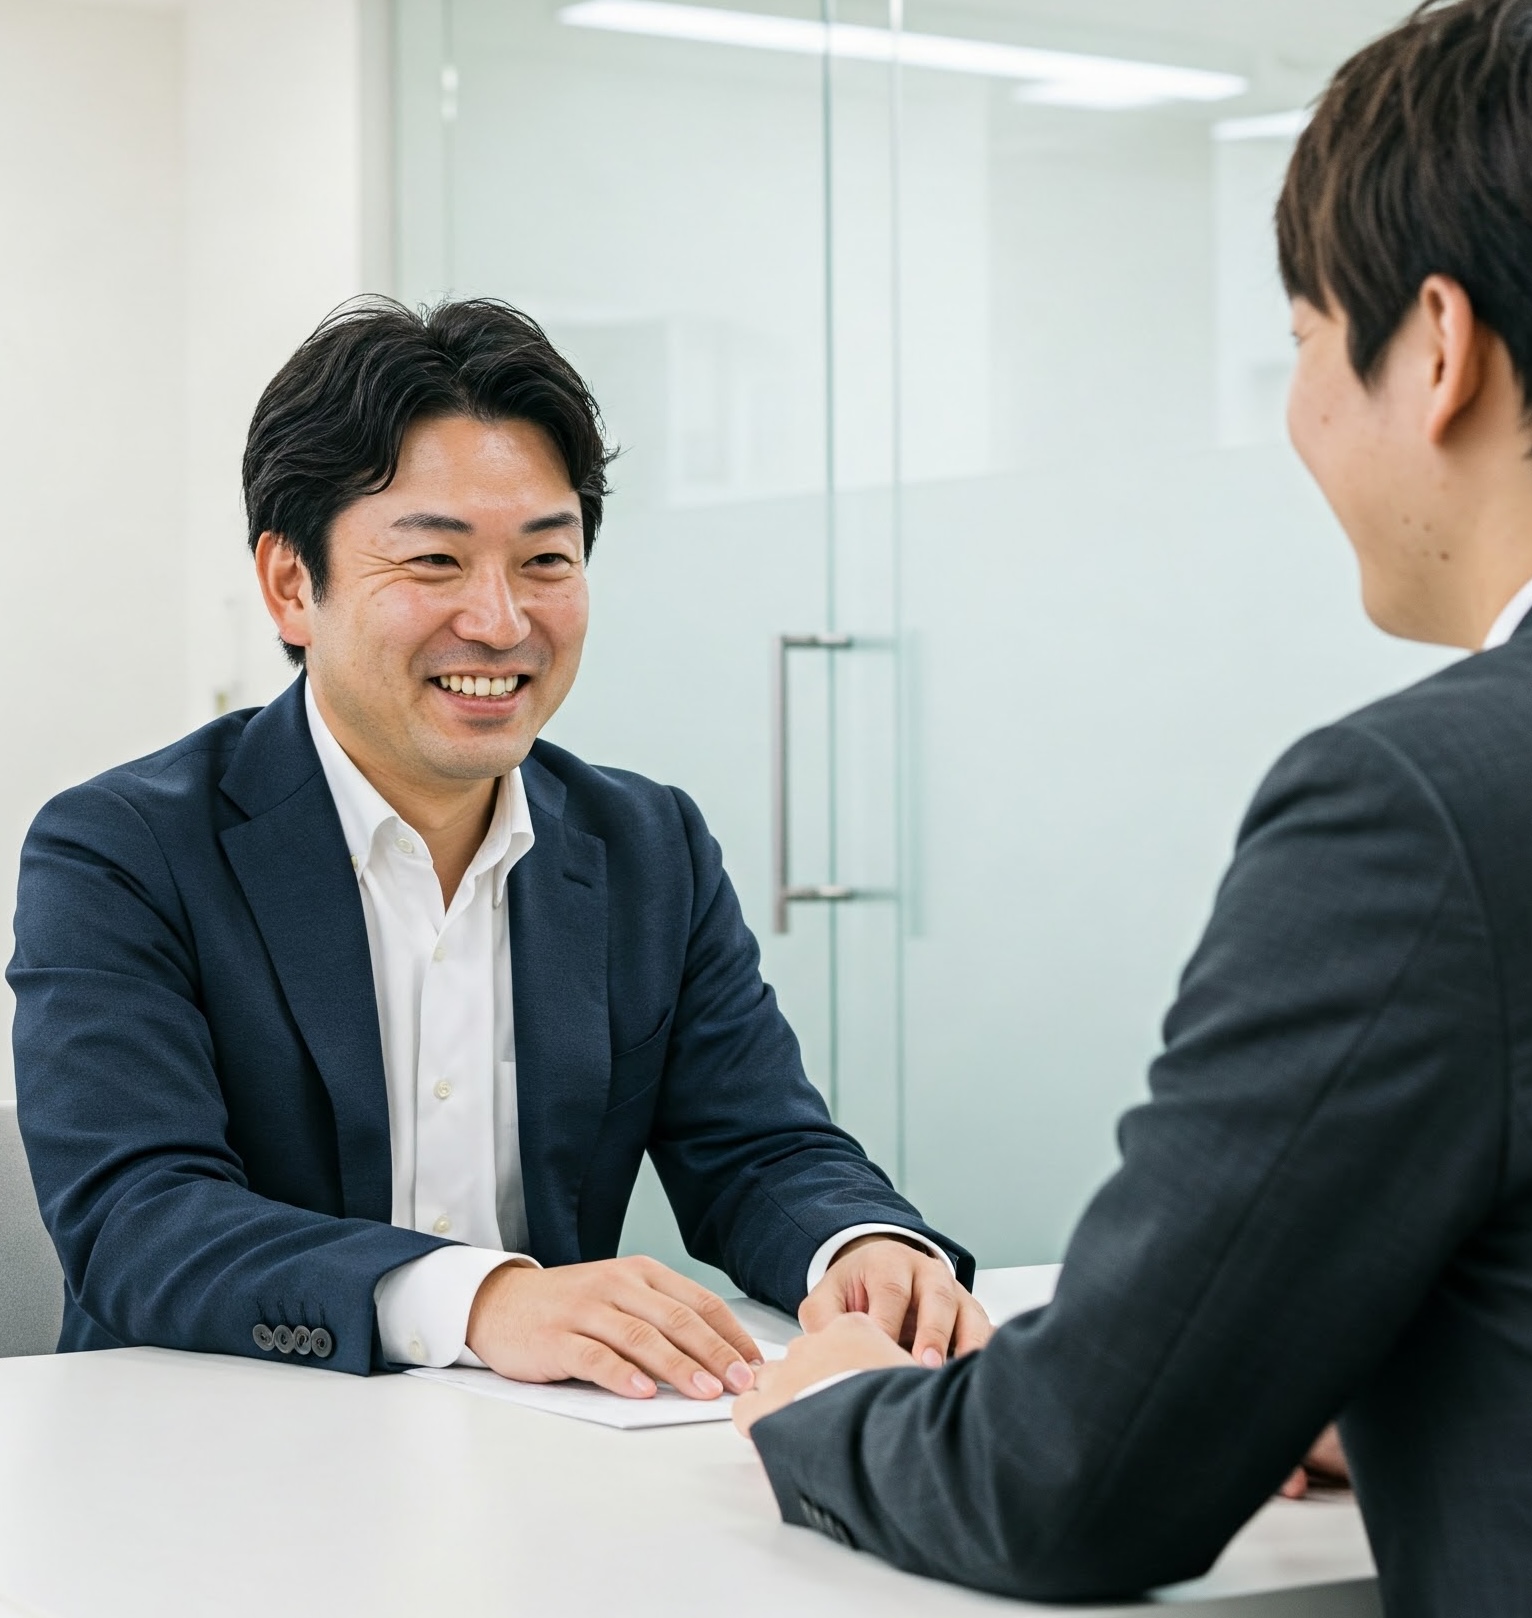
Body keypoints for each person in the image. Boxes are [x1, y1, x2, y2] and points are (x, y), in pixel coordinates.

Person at [733, 0, 1532, 1618]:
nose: (1295, 408)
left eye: (1301, 336)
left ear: (1437, 348)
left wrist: (829, 1403)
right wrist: (1424, 1390)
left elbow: (1071, 1481)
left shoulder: (1433, 806)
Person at [11, 299, 989, 1398]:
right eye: (434, 561)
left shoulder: (646, 844)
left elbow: (760, 1147)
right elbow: (139, 1220)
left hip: (543, 1466)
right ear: (292, 585)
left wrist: (860, 1249)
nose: (500, 619)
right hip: (209, 1461)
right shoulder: (125, 847)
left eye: (546, 560)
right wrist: (481, 1299)